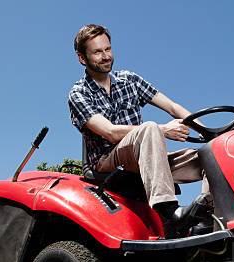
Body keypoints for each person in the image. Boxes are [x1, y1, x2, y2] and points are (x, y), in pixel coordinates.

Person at [68, 24, 212, 237]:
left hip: (146, 156)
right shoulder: (78, 94)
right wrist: (163, 130)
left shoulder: (129, 80)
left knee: (211, 155)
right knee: (150, 128)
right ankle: (170, 213)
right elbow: (109, 132)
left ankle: (207, 217)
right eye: (97, 52)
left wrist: (207, 132)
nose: (106, 56)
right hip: (107, 161)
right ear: (82, 58)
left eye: (108, 49)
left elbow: (172, 107)